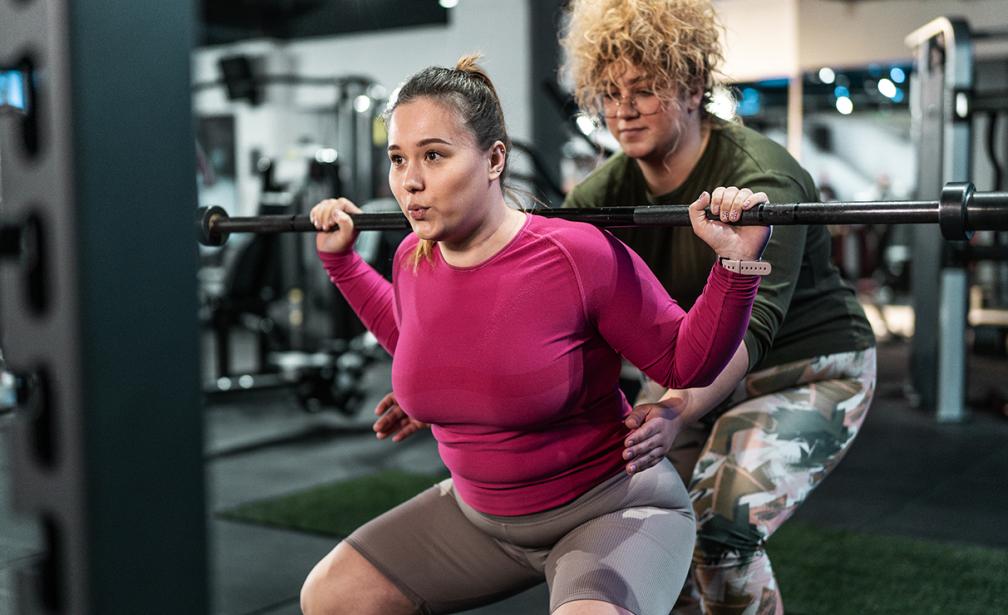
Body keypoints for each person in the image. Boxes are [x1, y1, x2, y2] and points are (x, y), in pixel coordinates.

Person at [298, 54, 771, 615]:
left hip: (608, 508)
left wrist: (735, 268)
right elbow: (414, 340)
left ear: (494, 158)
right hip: (479, 521)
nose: (411, 181)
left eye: (433, 155)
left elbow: (682, 366)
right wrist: (343, 264)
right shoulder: (411, 256)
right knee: (331, 597)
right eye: (398, 159)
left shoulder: (576, 254)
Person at [559, 1, 878, 613]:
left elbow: (751, 331)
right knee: (648, 531)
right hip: (697, 373)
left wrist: (674, 408)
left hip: (809, 368)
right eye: (609, 92)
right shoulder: (600, 196)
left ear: (693, 86)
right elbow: (546, 297)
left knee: (719, 529)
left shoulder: (762, 180)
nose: (622, 110)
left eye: (645, 90)